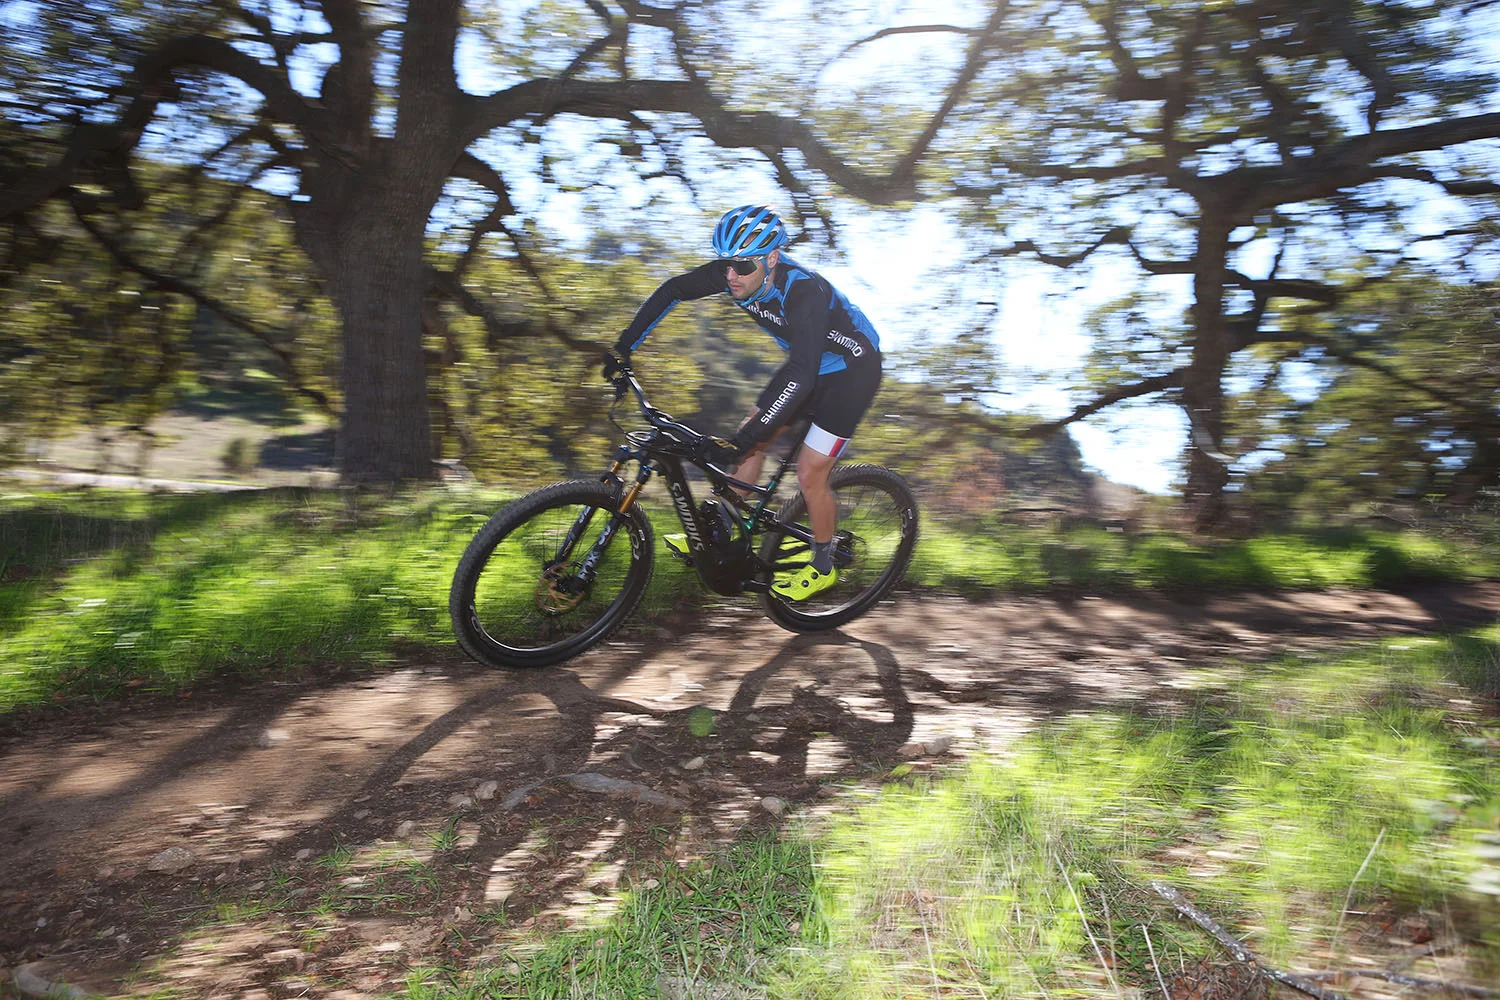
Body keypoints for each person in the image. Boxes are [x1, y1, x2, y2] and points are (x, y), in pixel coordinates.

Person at [602, 205, 883, 601]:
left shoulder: (804, 292)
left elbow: (802, 375)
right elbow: (673, 290)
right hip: (808, 366)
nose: (730, 275)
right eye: (725, 264)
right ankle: (719, 524)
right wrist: (624, 347)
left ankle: (824, 565)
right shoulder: (737, 271)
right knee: (751, 434)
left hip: (853, 372)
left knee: (808, 473)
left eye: (742, 266)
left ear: (772, 259)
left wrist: (744, 441)